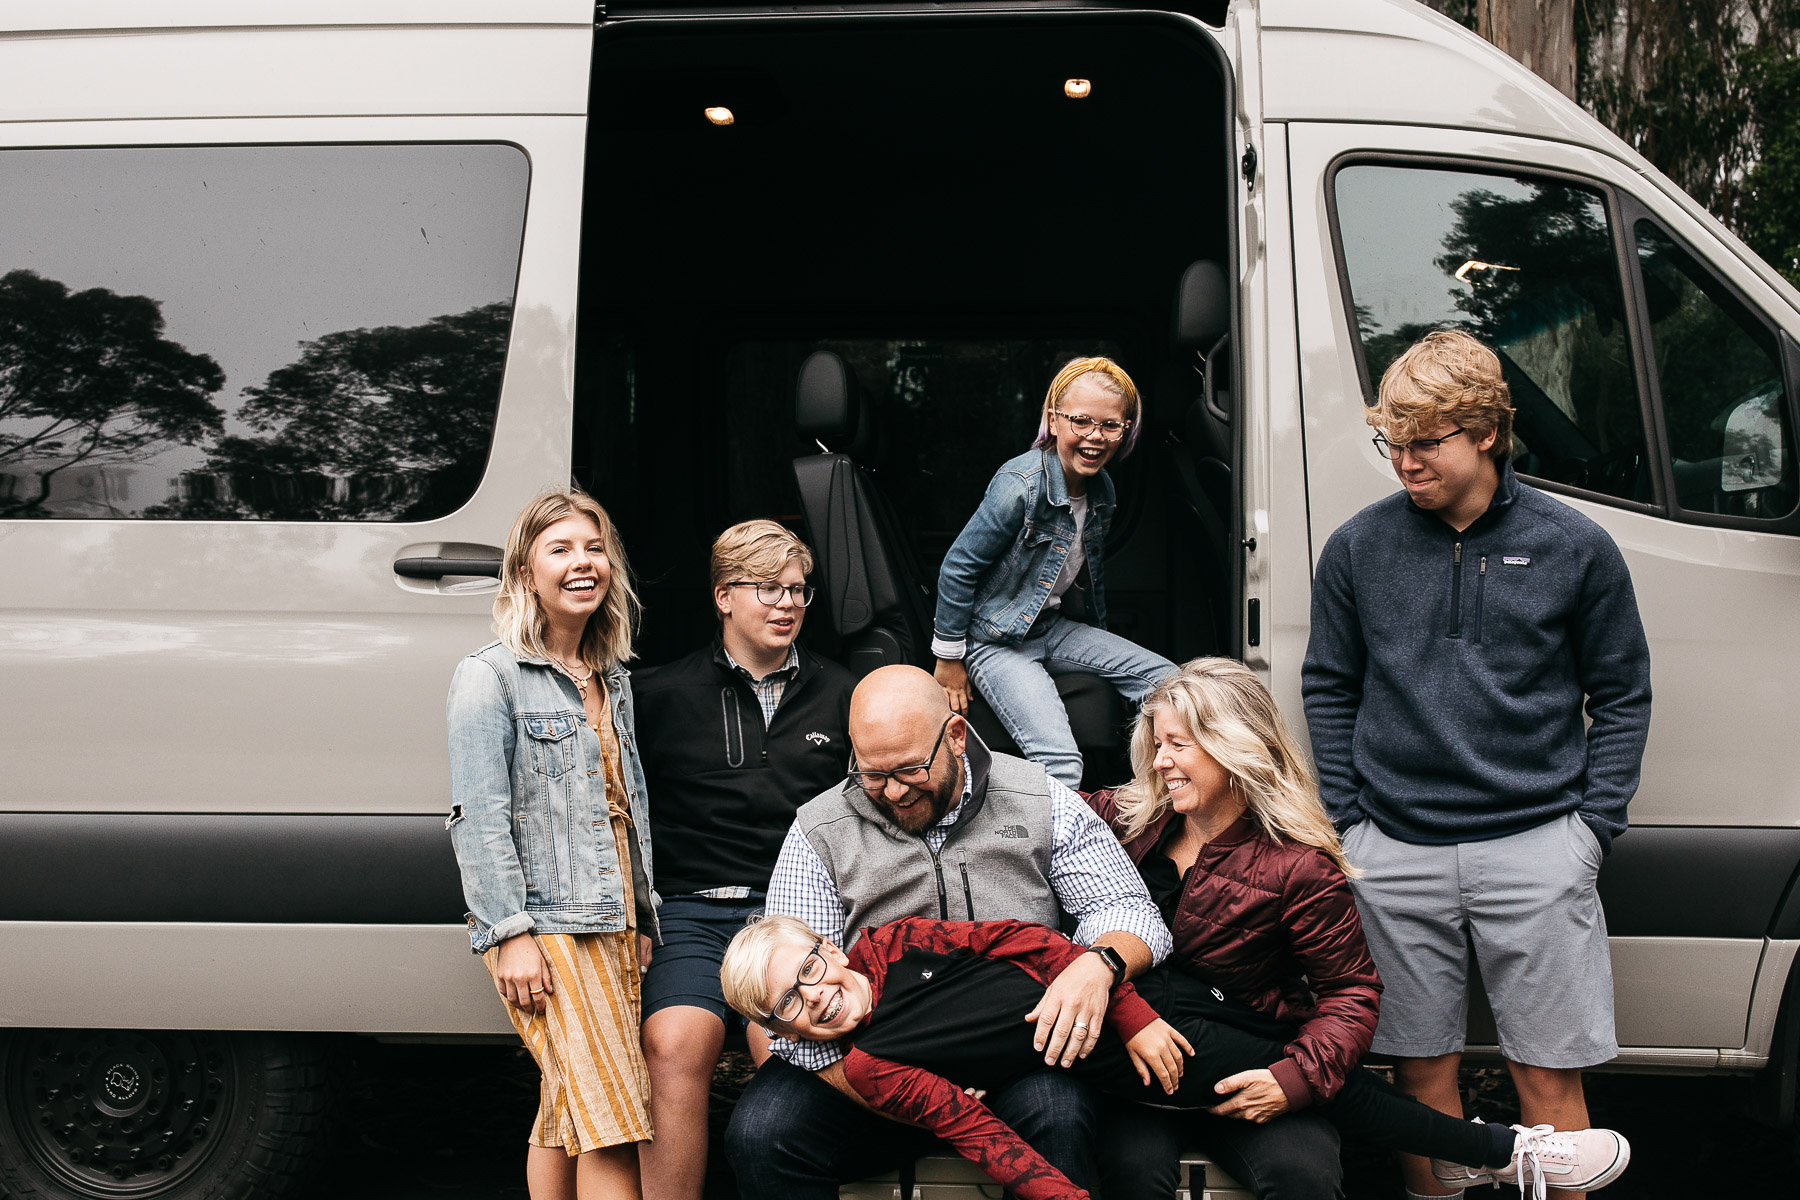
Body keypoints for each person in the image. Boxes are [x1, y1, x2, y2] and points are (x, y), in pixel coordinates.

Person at [1302, 330, 1653, 1200]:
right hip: (1397, 848)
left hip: (1537, 841)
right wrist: (1353, 824)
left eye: (1426, 443)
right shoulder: (1357, 548)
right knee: (1420, 1070)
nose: (1405, 462)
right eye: (1394, 443)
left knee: (1549, 1076)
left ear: (1488, 434)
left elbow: (1622, 695)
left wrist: (1591, 829)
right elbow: (1329, 685)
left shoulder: (1576, 546)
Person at [718, 913, 1632, 1200]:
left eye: (808, 970)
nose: (813, 995)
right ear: (786, 1029)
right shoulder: (870, 1065)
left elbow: (1032, 944)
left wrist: (1128, 1005)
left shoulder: (895, 941)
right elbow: (978, 1132)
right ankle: (1506, 1153)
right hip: (1129, 1068)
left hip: (1141, 1012)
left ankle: (1482, 1154)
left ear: (829, 950)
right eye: (789, 1005)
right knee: (1320, 1088)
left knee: (1300, 1061)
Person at [723, 664, 1172, 1199]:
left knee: (1058, 1113)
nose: (890, 791)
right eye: (870, 773)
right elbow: (787, 1002)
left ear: (955, 736)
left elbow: (1128, 909)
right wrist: (917, 1100)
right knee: (760, 1133)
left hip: (1013, 1045)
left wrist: (1096, 966)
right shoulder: (818, 831)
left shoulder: (1038, 799)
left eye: (909, 769)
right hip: (870, 1063)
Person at [1084, 657, 1379, 1199]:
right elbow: (1035, 809)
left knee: (1303, 1176)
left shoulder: (1298, 866)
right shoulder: (1123, 822)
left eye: (1178, 744)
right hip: (1140, 1074)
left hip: (1250, 1064)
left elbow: (1350, 992)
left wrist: (1292, 1082)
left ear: (1233, 745)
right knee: (1131, 1171)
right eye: (1156, 744)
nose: (1159, 762)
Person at [631, 520, 856, 1200]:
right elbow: (620, 816)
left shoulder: (843, 694)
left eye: (798, 590)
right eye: (768, 589)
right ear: (724, 596)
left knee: (784, 1049)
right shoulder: (656, 695)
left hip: (793, 915)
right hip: (694, 912)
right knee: (675, 1044)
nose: (787, 604)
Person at [445, 488, 656, 1200]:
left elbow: (624, 813)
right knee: (611, 1122)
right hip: (552, 929)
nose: (583, 563)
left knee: (566, 1108)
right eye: (560, 549)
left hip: (613, 923)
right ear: (525, 571)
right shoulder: (490, 676)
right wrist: (509, 934)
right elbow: (478, 817)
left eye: (594, 548)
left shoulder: (610, 678)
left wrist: (641, 917)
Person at [931, 356, 1177, 787]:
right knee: (1062, 765)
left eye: (1110, 425)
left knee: (1173, 684)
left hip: (1051, 628)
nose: (1095, 437)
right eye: (1081, 421)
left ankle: (1149, 797)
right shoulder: (1021, 484)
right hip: (996, 639)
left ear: (1126, 430)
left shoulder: (1103, 490)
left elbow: (1091, 579)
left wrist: (1104, 663)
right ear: (1054, 420)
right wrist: (949, 658)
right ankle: (1062, 854)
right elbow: (957, 567)